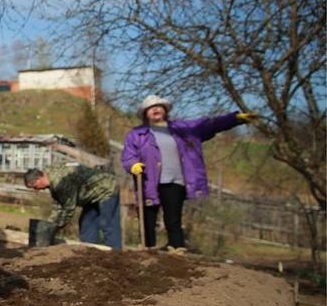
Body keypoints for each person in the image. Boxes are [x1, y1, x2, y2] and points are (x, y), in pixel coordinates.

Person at [121, 95, 257, 252]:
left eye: (159, 106)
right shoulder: (137, 134)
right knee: (147, 217)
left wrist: (235, 119)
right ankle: (147, 247)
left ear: (165, 110)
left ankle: (176, 246)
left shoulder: (184, 129)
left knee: (173, 217)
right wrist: (133, 165)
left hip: (175, 180)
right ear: (145, 113)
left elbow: (211, 124)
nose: (156, 109)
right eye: (151, 108)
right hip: (148, 180)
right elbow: (128, 156)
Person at [23, 163, 122, 250]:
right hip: (90, 194)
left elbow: (69, 207)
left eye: (35, 186)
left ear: (39, 179)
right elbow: (59, 204)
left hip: (106, 188)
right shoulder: (51, 180)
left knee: (107, 223)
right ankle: (89, 251)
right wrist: (51, 223)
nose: (36, 190)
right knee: (86, 224)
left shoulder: (60, 182)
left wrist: (56, 227)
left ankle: (116, 253)